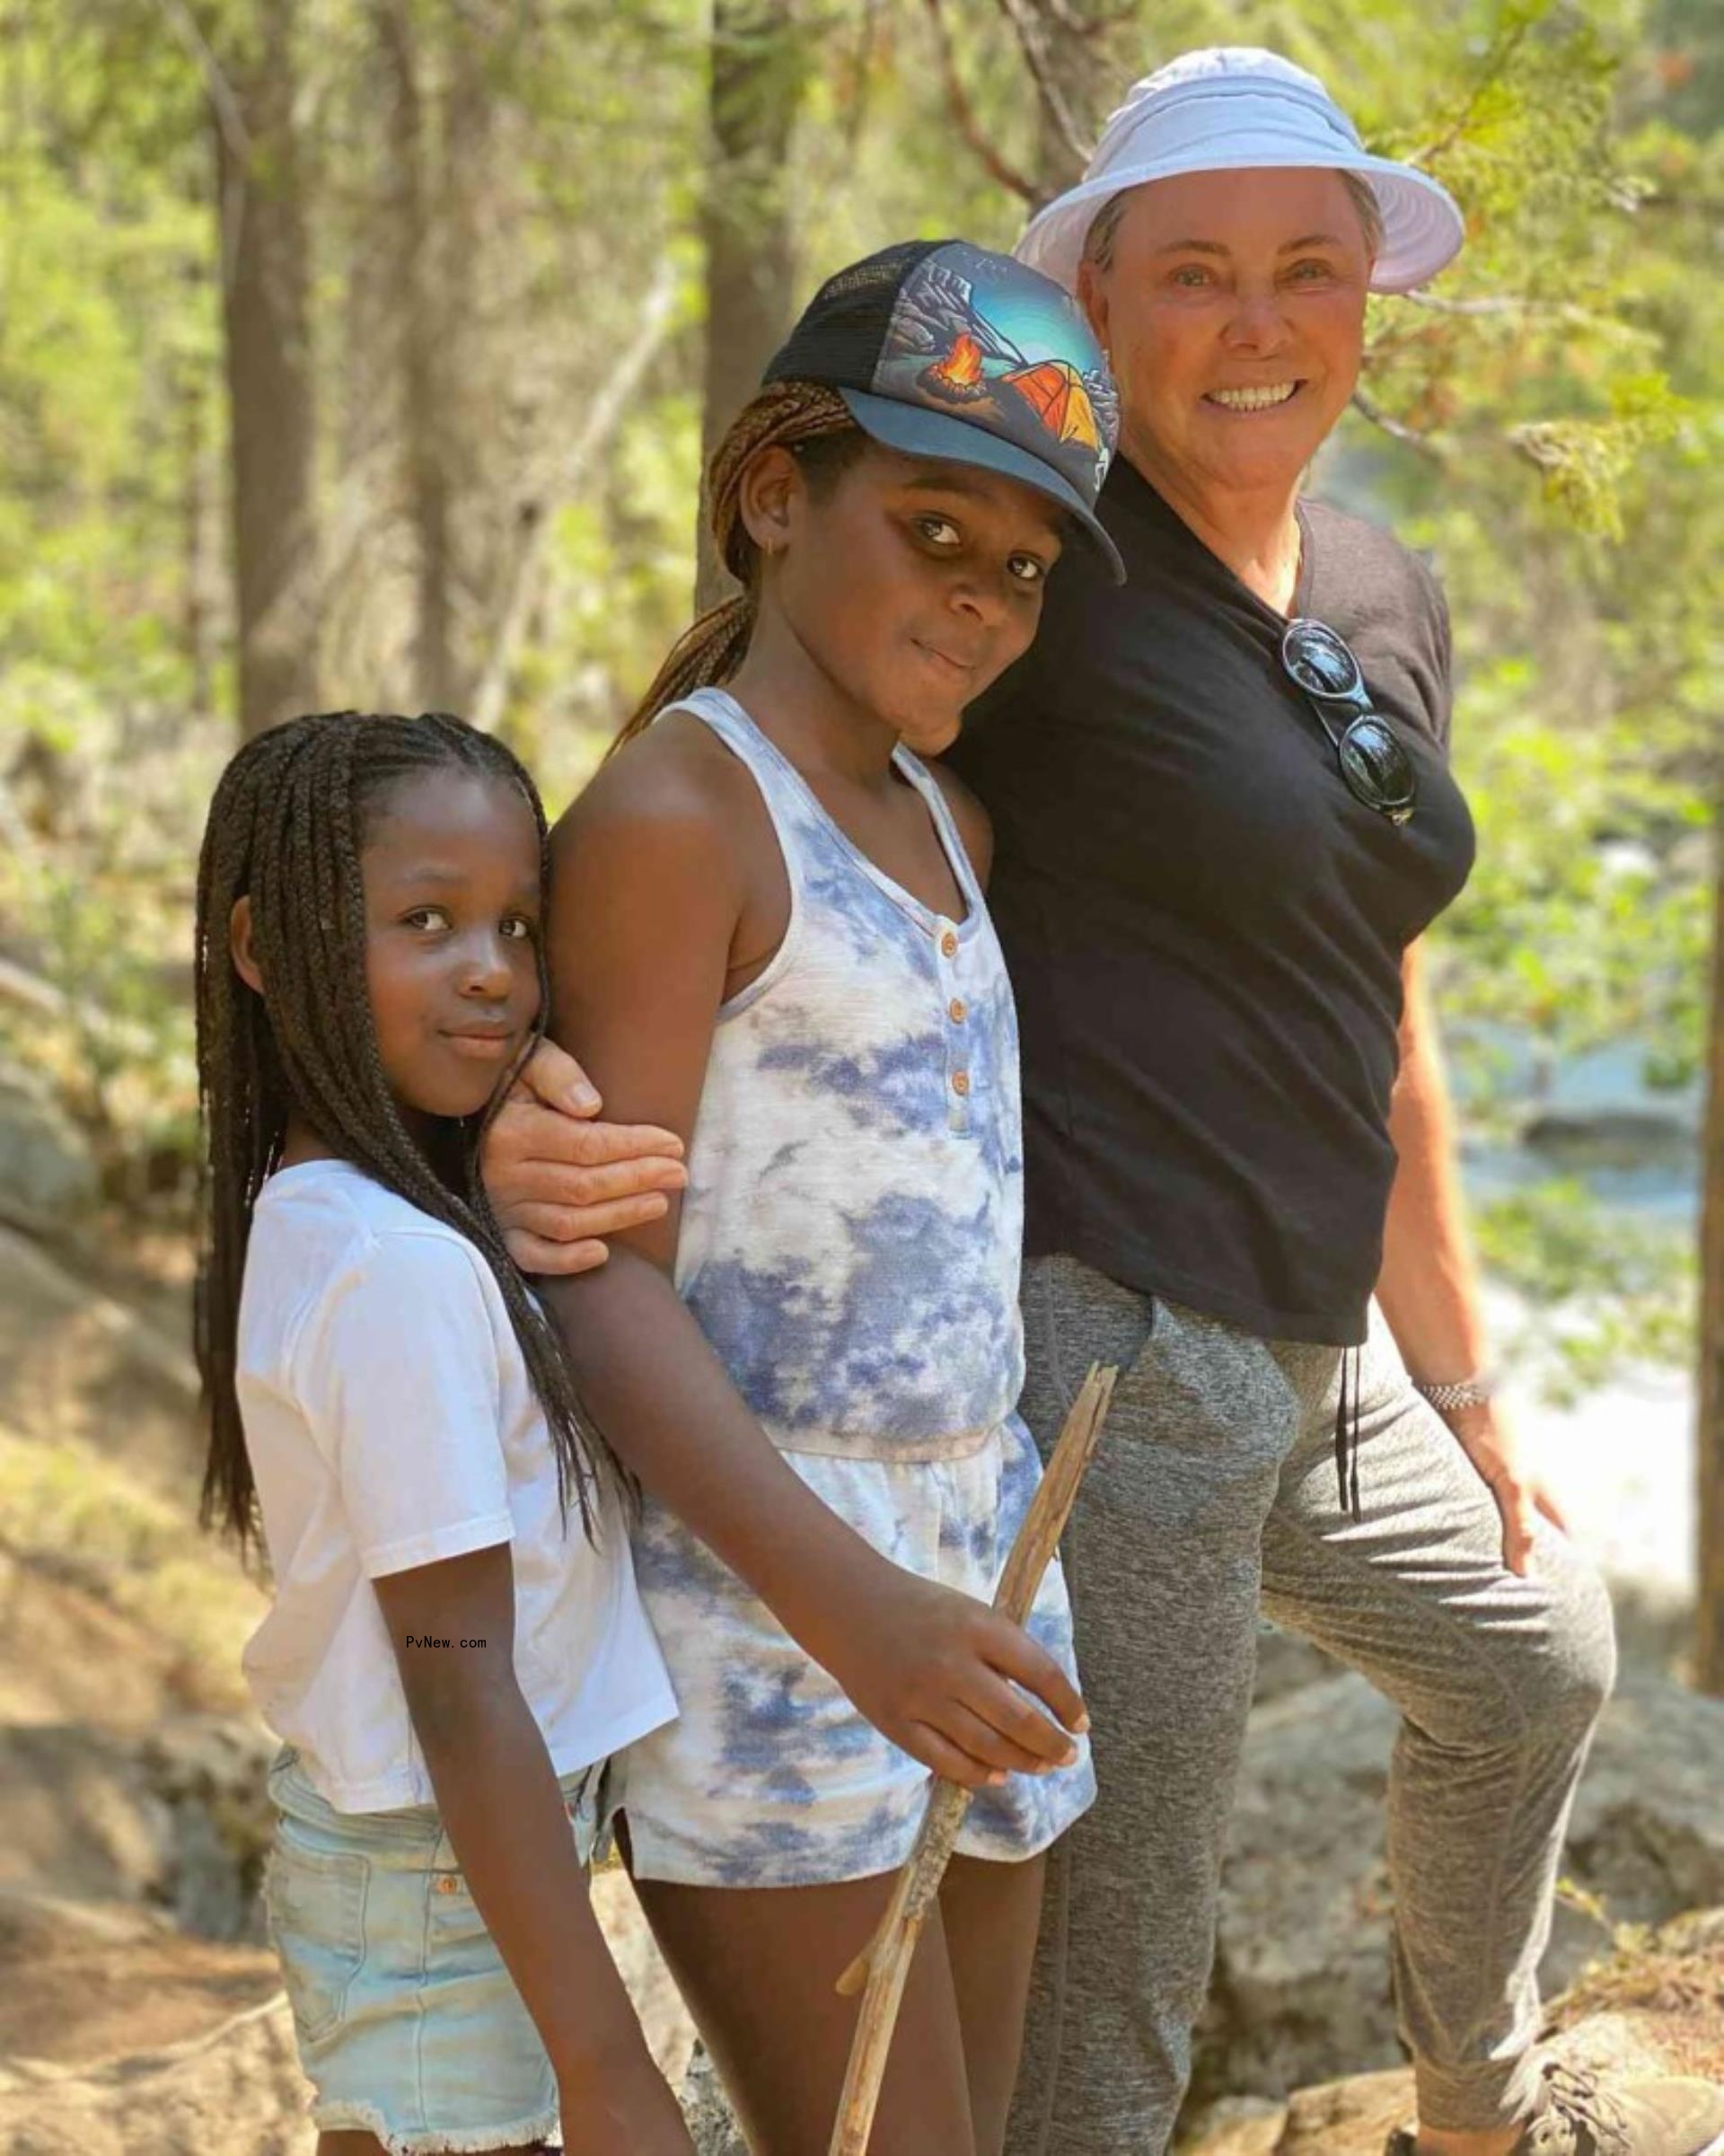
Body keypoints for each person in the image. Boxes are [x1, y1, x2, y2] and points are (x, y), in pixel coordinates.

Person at [940, 46, 1724, 2156]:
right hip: (1107, 1348)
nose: (1259, 322)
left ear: (1370, 296)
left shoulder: (1382, 584)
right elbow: (765, 785)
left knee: (1537, 1658)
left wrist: (1465, 1387)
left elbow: (1374, 992)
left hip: (1314, 1347)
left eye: (1309, 266)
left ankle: (1474, 2109)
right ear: (1100, 303)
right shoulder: (1035, 569)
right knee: (1122, 1960)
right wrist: (562, 1080)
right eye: (1195, 271)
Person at [488, 241, 1120, 2156]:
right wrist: (858, 1614)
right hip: (773, 1615)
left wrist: (943, 1605)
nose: (982, 597)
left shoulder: (952, 818)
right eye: (933, 525)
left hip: (986, 1563)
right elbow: (599, 1280)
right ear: (777, 493)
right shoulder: (682, 821)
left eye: (1020, 566)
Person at [192, 708, 688, 2156]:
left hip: (427, 1861)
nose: (494, 971)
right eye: (426, 919)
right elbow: (460, 1685)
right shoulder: (390, 1270)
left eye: (518, 926)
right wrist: (609, 2067)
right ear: (263, 950)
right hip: (438, 1872)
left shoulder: (340, 1214)